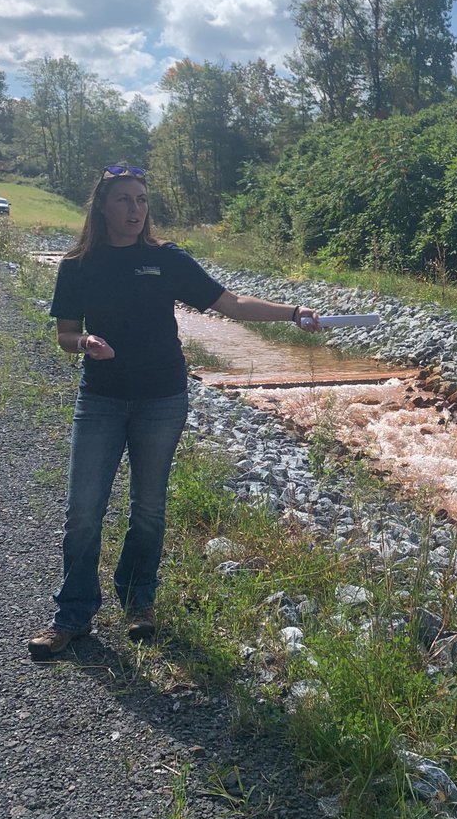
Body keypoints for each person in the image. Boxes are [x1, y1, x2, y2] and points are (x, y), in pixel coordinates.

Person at [28, 164, 319, 660]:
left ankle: (138, 601)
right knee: (82, 512)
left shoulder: (166, 259)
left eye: (141, 200)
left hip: (161, 399)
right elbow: (65, 335)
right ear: (102, 206)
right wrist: (84, 343)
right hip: (99, 400)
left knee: (148, 508)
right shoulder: (78, 265)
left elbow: (232, 304)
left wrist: (293, 312)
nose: (135, 209)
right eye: (124, 199)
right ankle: (72, 615)